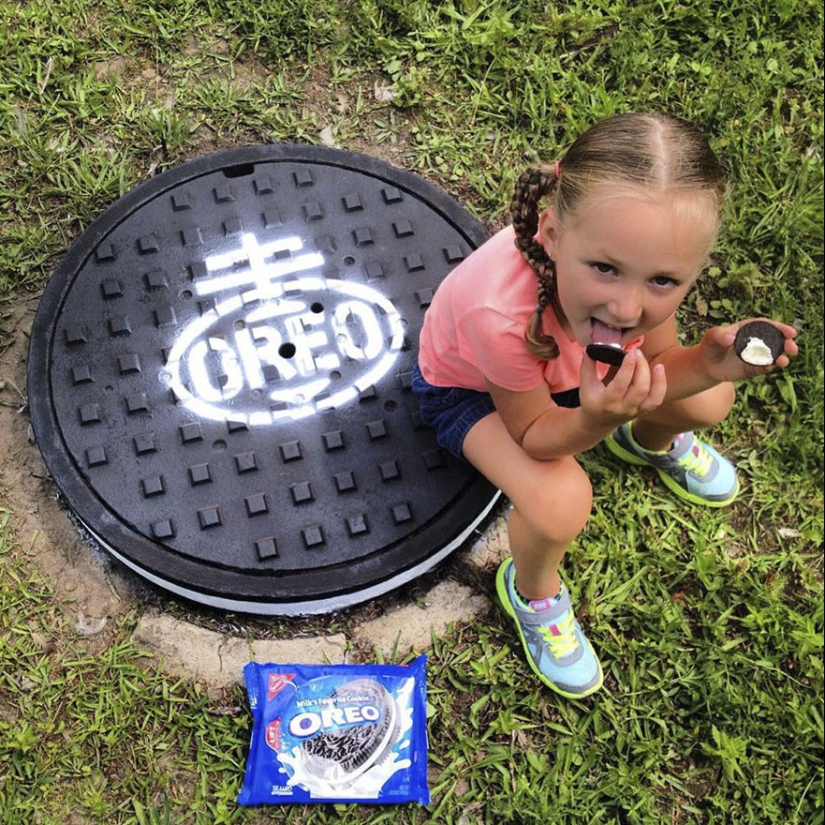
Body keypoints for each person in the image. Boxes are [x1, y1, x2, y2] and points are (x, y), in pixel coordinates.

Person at [412, 112, 798, 699]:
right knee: (561, 501)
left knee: (710, 399)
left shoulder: (635, 286)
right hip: (472, 393)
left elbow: (665, 366)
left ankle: (647, 441)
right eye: (606, 269)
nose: (626, 307)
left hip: (573, 386)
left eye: (664, 281)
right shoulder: (498, 313)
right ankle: (532, 591)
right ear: (552, 233)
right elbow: (537, 435)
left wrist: (712, 365)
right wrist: (596, 418)